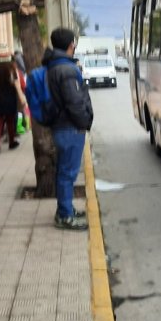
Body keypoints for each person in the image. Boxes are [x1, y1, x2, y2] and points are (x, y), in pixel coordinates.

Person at [44, 27, 93, 230]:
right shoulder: (66, 70)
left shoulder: (54, 66)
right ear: (71, 45)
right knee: (67, 173)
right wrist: (84, 122)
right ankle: (64, 216)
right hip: (70, 127)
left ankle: (65, 209)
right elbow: (74, 102)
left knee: (65, 172)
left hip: (62, 126)